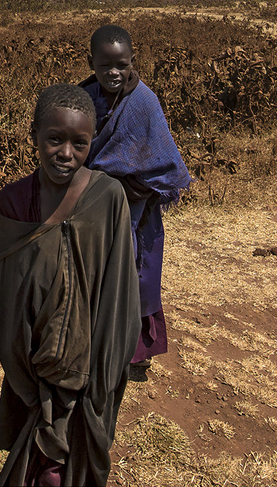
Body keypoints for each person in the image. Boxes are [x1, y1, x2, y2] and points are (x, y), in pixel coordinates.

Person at [0, 83, 140, 487]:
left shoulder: (109, 197)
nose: (66, 154)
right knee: (39, 458)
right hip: (33, 358)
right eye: (54, 139)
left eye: (80, 143)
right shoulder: (16, 201)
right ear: (34, 136)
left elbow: (118, 293)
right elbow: (9, 294)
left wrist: (103, 374)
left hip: (88, 362)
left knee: (68, 466)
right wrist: (22, 366)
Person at [80, 24, 192, 371]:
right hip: (91, 208)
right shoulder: (84, 98)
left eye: (122, 65)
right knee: (94, 275)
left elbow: (166, 164)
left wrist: (123, 190)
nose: (113, 73)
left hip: (135, 212)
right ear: (91, 63)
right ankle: (96, 344)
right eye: (104, 66)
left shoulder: (144, 102)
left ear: (133, 61)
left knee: (136, 278)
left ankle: (135, 352)